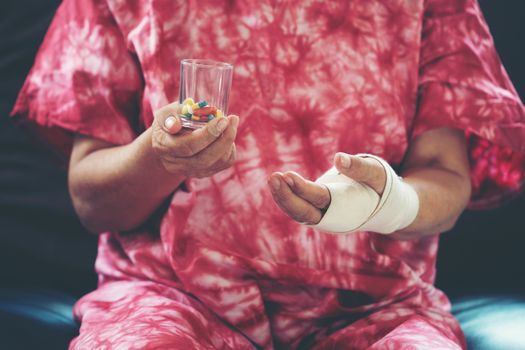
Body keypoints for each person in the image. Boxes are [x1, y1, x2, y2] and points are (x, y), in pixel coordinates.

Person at [11, 0, 525, 348]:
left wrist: (384, 200)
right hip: (169, 296)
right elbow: (93, 203)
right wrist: (157, 156)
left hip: (381, 308)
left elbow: (444, 176)